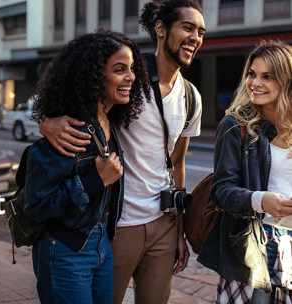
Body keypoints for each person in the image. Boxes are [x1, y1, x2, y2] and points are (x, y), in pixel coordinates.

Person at [39, 1, 205, 303]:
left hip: (164, 225)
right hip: (119, 225)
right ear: (161, 29)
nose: (195, 37)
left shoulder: (192, 97)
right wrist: (46, 122)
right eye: (188, 27)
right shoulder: (129, 77)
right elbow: (74, 97)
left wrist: (179, 230)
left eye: (201, 32)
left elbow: (177, 164)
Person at [24, 30, 151, 303]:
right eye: (120, 69)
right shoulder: (70, 128)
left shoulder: (109, 120)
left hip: (101, 242)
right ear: (93, 76)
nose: (130, 77)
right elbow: (37, 204)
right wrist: (95, 180)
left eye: (131, 69)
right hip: (67, 247)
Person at [197, 40, 292, 303]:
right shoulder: (235, 125)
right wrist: (261, 201)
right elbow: (222, 191)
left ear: (286, 81)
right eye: (252, 74)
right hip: (252, 244)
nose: (255, 83)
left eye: (267, 76)